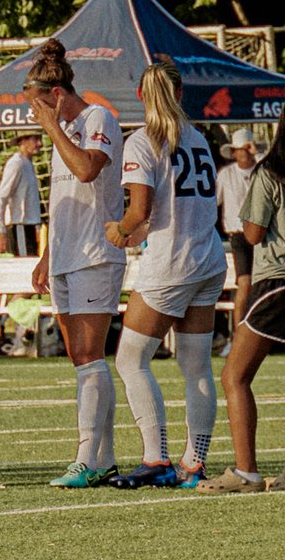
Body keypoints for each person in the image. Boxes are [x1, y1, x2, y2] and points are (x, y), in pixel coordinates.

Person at [201, 88, 285, 494]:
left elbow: (253, 232)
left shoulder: (269, 172)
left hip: (277, 283)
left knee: (234, 376)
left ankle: (246, 471)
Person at [103, 56, 225, 491]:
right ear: (179, 94)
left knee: (130, 359)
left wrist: (119, 231)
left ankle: (156, 457)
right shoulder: (197, 138)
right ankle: (195, 463)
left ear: (141, 96)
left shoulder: (141, 142)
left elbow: (141, 210)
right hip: (209, 257)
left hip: (171, 262)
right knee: (196, 367)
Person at [24, 38, 128, 489]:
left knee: (89, 354)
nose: (34, 115)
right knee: (79, 358)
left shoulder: (96, 118)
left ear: (58, 95)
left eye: (37, 106)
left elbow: (88, 170)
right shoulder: (60, 134)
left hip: (95, 255)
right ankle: (102, 458)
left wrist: (53, 127)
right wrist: (48, 253)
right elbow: (64, 195)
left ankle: (86, 456)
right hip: (67, 254)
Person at [215, 127, 261, 293]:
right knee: (244, 282)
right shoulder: (226, 174)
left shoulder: (262, 170)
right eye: (241, 149)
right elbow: (214, 202)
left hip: (261, 232)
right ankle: (239, 319)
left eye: (247, 148)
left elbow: (276, 174)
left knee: (262, 282)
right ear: (234, 152)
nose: (245, 153)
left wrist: (258, 155)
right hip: (238, 234)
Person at [0, 132, 42, 257]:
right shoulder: (16, 163)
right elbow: (1, 197)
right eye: (34, 139)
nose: (39, 144)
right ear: (23, 142)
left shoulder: (27, 163)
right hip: (19, 226)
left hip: (29, 227)